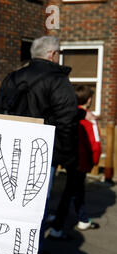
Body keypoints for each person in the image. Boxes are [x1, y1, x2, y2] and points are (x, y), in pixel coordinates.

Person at [0, 36, 81, 254]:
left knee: (10, 201)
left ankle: (4, 246)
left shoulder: (12, 77)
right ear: (53, 54)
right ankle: (30, 253)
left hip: (10, 151)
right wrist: (69, 157)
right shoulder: (57, 79)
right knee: (36, 205)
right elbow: (67, 120)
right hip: (42, 154)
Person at [50, 85, 100, 234]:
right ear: (89, 100)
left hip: (68, 156)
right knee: (71, 192)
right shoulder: (88, 117)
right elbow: (95, 144)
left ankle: (83, 218)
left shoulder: (68, 114)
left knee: (77, 190)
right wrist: (95, 161)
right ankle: (57, 227)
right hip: (82, 160)